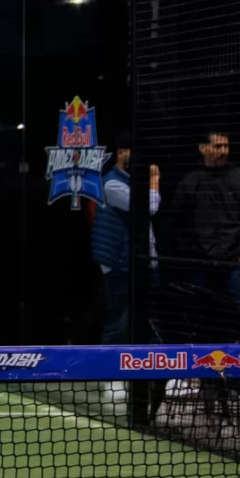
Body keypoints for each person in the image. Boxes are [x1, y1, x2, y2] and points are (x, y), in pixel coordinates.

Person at [169, 130, 240, 309]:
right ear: (203, 148)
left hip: (233, 264)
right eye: (218, 146)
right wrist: (192, 253)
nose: (224, 151)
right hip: (200, 264)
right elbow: (177, 222)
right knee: (199, 314)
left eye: (226, 146)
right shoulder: (190, 181)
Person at [93, 145, 135, 341]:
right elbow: (149, 206)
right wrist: (154, 181)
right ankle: (107, 358)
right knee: (117, 317)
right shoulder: (112, 183)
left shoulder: (128, 180)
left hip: (123, 260)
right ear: (121, 152)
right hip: (114, 260)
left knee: (125, 316)